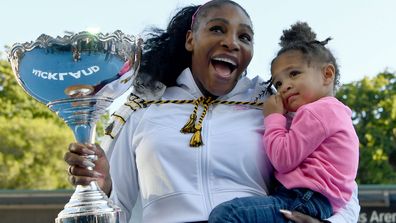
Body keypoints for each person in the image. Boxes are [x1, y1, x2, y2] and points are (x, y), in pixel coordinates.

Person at [64, 1, 360, 222]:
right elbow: (118, 207)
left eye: (244, 37)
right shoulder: (144, 105)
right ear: (191, 40)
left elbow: (338, 178)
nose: (231, 42)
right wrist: (102, 188)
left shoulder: (272, 105)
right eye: (217, 29)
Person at [208, 22, 359, 222]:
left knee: (228, 215)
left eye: (294, 74)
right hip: (315, 201)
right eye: (277, 83)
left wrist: (273, 117)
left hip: (303, 199)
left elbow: (282, 158)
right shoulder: (335, 113)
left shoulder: (316, 112)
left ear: (327, 74)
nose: (285, 86)